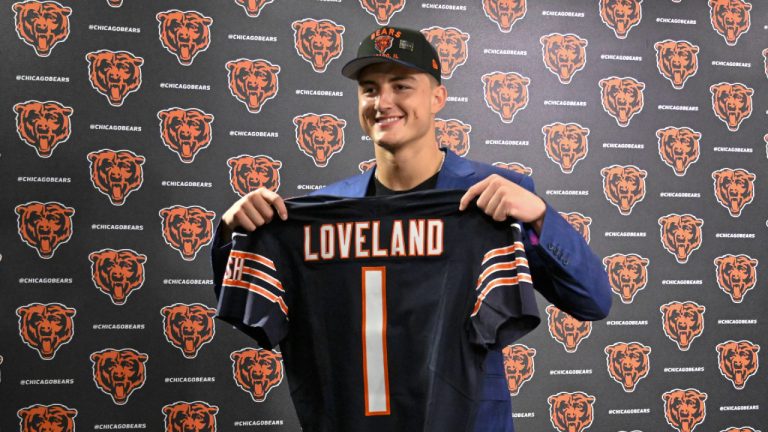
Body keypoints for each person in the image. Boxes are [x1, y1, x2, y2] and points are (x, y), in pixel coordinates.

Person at [212, 26, 611, 432]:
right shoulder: (321, 211)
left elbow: (593, 300)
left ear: (437, 97)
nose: (383, 102)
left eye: (401, 86)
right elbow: (248, 304)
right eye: (370, 89)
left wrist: (538, 215)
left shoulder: (496, 198)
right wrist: (236, 235)